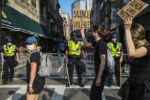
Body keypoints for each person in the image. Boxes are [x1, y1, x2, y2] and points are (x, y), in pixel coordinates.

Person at [123, 18, 150, 100]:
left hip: (142, 89)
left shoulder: (146, 48)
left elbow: (132, 53)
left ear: (134, 36)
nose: (126, 38)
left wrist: (127, 29)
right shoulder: (135, 47)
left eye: (128, 36)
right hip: (133, 85)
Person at [81, 25, 108, 100]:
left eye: (92, 31)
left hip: (101, 74)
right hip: (100, 73)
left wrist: (99, 77)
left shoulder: (101, 44)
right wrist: (82, 33)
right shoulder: (96, 42)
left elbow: (103, 61)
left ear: (96, 32)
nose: (91, 33)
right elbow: (86, 44)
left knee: (93, 96)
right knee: (97, 96)